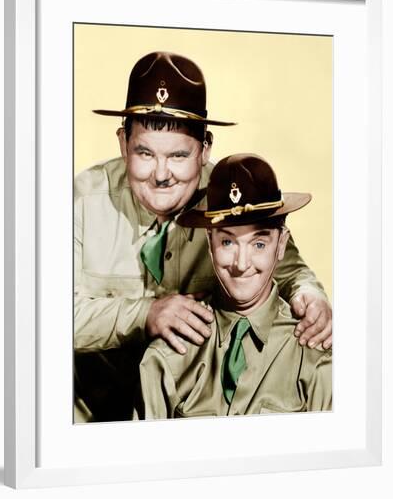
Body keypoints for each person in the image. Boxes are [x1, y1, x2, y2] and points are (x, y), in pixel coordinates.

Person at [74, 51, 332, 422]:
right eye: (144, 153)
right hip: (84, 419)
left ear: (205, 149)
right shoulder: (80, 201)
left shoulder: (231, 198)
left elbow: (287, 265)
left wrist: (312, 298)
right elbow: (40, 317)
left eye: (178, 156)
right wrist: (144, 313)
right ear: (122, 143)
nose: (161, 174)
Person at [138, 153, 332, 419]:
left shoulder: (316, 355)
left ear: (282, 244)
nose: (241, 264)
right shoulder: (167, 356)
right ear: (209, 241)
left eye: (259, 244)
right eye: (227, 242)